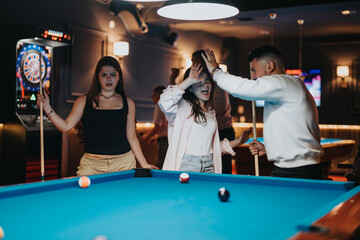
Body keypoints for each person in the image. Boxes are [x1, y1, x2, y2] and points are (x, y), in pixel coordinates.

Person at [201, 46, 324, 179]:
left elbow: (241, 88)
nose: (253, 77)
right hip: (293, 168)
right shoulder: (288, 86)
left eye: (254, 70)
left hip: (298, 171)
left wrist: (216, 71)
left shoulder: (283, 83)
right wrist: (269, 149)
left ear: (270, 66)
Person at [37, 56, 157, 176]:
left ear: (119, 77)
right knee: (84, 195)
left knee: (121, 195)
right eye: (104, 75)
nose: (109, 78)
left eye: (113, 75)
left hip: (123, 163)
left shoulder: (129, 103)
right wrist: (47, 108)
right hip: (92, 165)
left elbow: (132, 137)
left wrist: (144, 164)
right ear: (97, 78)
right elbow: (65, 127)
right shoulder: (83, 100)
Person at [158, 63, 252, 173]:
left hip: (209, 164)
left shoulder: (211, 112)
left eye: (207, 80)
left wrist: (237, 142)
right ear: (191, 88)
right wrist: (189, 80)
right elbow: (164, 101)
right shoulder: (181, 107)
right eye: (199, 82)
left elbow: (213, 147)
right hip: (187, 165)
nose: (206, 84)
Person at [192, 50, 236, 174]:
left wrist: (201, 107)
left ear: (204, 61)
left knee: (223, 169)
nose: (193, 65)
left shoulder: (217, 80)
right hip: (209, 129)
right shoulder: (196, 81)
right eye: (192, 62)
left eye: (195, 61)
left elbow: (221, 107)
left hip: (223, 130)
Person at [141, 85, 168, 169]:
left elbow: (156, 126)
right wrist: (155, 137)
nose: (152, 97)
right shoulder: (168, 105)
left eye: (154, 95)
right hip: (168, 139)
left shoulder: (159, 106)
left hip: (164, 141)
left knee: (159, 165)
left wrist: (146, 137)